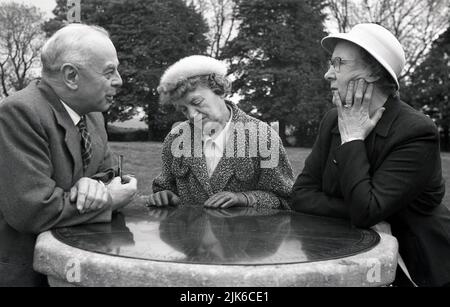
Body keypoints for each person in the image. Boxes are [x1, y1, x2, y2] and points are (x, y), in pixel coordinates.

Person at [290, 23, 450, 287]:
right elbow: (301, 195)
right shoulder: (333, 120)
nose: (328, 74)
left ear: (373, 72)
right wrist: (371, 214)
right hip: (349, 259)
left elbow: (366, 211)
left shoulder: (416, 131)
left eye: (339, 63)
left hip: (416, 269)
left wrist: (352, 138)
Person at [0, 24, 137, 286]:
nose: (119, 80)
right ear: (71, 76)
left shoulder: (93, 116)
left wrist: (94, 183)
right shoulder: (19, 112)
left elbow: (109, 172)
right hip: (28, 274)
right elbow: (32, 210)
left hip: (73, 267)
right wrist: (109, 200)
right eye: (109, 71)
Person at [148, 55, 294, 210]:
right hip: (189, 234)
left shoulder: (263, 136)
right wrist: (166, 196)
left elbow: (285, 199)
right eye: (184, 109)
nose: (191, 115)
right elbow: (164, 187)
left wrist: (245, 198)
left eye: (196, 102)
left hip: (244, 234)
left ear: (220, 91)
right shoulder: (176, 138)